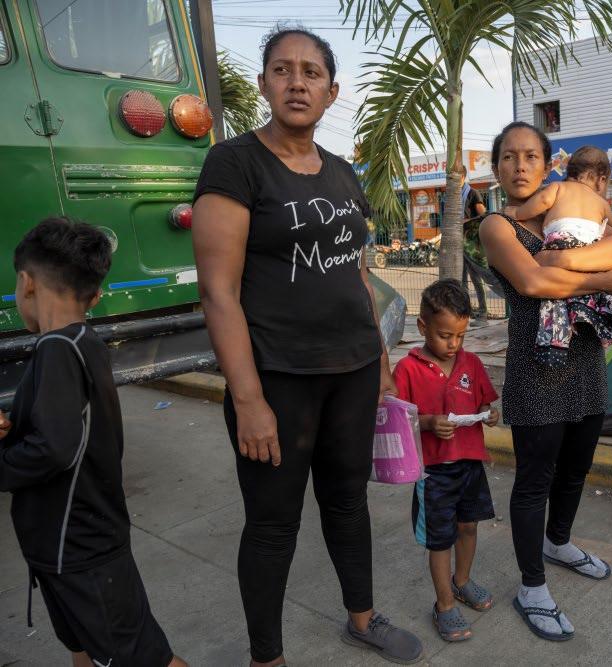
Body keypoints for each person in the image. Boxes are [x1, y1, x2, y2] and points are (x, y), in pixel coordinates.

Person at [191, 28, 422, 666]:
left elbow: (356, 273)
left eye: (312, 72)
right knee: (272, 526)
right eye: (283, 69)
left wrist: (378, 358)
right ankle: (267, 657)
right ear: (265, 82)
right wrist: (248, 399)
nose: (298, 82)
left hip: (350, 370)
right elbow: (218, 291)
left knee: (347, 502)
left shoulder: (344, 172)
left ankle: (363, 618)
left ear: (331, 90)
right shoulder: (234, 164)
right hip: (277, 379)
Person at [0, 218, 187, 667]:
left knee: (144, 659)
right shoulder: (84, 341)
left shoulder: (56, 350)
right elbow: (65, 429)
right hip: (73, 548)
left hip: (82, 551)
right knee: (85, 648)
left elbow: (54, 448)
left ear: (26, 283)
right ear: (97, 294)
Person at [479, 122, 612, 641]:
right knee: (533, 482)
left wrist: (568, 261)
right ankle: (531, 586)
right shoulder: (498, 226)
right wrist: (601, 275)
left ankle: (559, 541)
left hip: (587, 366)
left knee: (575, 470)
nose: (519, 165)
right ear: (497, 167)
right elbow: (531, 281)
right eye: (508, 157)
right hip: (538, 371)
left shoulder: (575, 209)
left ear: (547, 165)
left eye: (530, 156)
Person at [392, 279, 500, 642]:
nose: (453, 345)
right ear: (422, 327)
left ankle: (462, 581)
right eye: (444, 336)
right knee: (440, 539)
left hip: (469, 464)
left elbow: (486, 402)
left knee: (468, 527)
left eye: (460, 336)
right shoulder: (407, 369)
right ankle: (443, 606)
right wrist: (427, 422)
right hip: (434, 472)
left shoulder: (471, 363)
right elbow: (398, 420)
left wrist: (488, 413)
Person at [505, 145, 612, 367]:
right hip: (589, 249)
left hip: (560, 244)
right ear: (601, 180)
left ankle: (553, 343)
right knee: (590, 293)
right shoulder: (600, 202)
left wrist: (517, 213)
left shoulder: (558, 188)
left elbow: (541, 203)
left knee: (555, 297)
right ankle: (592, 317)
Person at [460, 165, 490, 321]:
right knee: (461, 279)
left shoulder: (472, 193)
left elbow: (484, 215)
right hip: (459, 243)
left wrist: (465, 221)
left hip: (471, 244)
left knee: (476, 279)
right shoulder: (454, 195)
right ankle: (467, 311)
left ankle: (483, 312)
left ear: (463, 176)